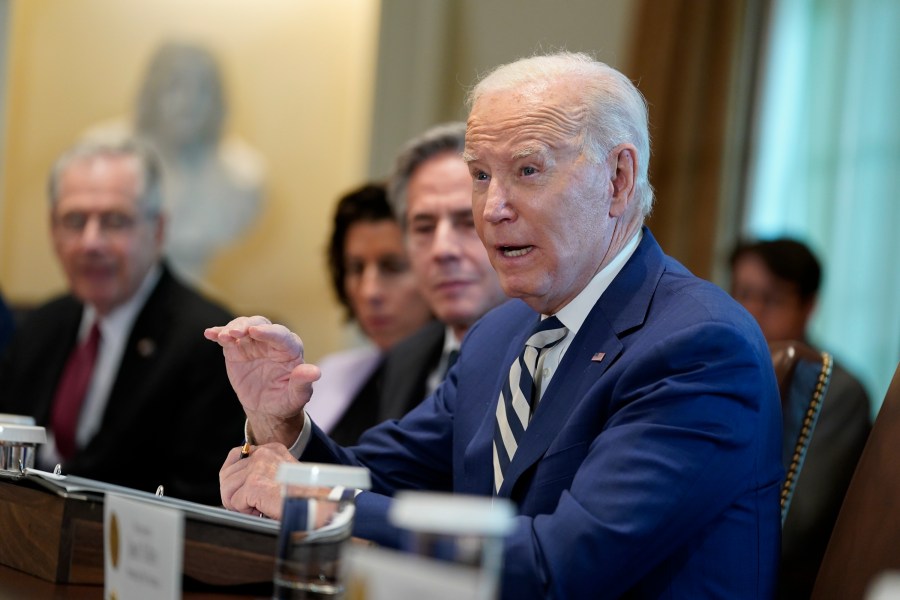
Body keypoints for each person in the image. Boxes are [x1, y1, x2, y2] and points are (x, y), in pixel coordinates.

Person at [208, 52, 781, 598]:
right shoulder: (500, 334)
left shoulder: (699, 347)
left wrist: (318, 502)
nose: (492, 208)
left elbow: (561, 568)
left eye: (528, 170)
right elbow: (381, 481)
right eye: (480, 175)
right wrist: (280, 426)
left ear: (618, 179)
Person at [0, 138, 245, 505]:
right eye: (74, 220)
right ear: (52, 230)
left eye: (115, 221)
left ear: (158, 229)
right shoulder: (41, 326)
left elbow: (199, 501)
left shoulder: (207, 343)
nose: (91, 242)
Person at [307, 123, 507, 443]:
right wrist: (278, 423)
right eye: (424, 227)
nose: (443, 249)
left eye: (468, 222)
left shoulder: (550, 352)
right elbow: (382, 476)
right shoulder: (406, 359)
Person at [730, 237, 871, 598]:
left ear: (809, 306)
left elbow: (793, 522)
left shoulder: (837, 390)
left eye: (773, 299)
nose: (752, 310)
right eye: (743, 293)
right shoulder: (719, 369)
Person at [85, 41, 266, 284]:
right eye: (175, 86)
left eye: (202, 90)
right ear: (152, 90)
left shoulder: (243, 177)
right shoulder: (101, 154)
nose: (188, 103)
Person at [308, 183, 433, 443]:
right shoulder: (329, 375)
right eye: (355, 268)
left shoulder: (462, 381)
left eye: (393, 267)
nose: (369, 291)